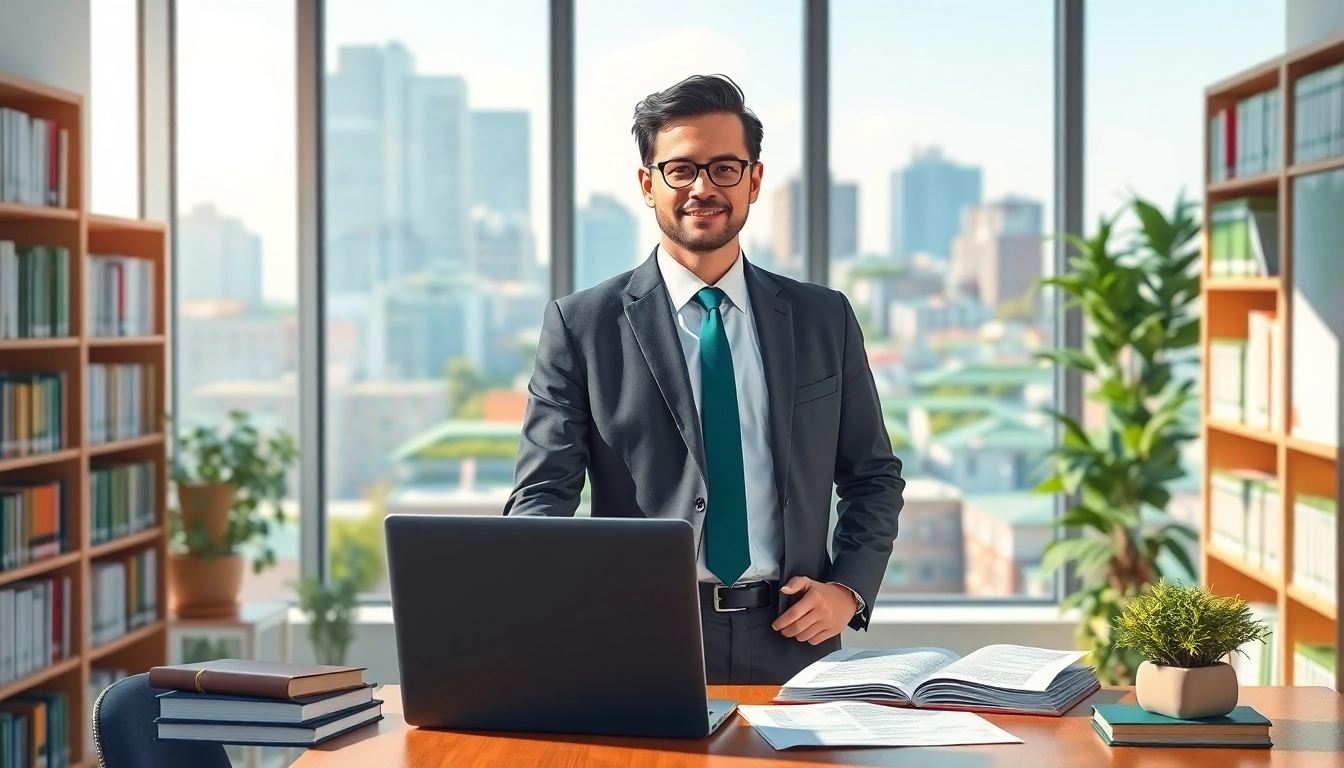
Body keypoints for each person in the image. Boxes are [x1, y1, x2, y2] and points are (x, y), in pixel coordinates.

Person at [504, 74, 904, 685]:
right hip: (641, 637)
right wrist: (557, 606)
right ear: (647, 183)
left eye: (724, 168)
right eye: (681, 170)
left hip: (795, 637)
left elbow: (872, 474)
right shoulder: (582, 325)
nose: (702, 188)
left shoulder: (824, 317)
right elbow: (542, 495)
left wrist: (848, 588)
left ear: (754, 180)